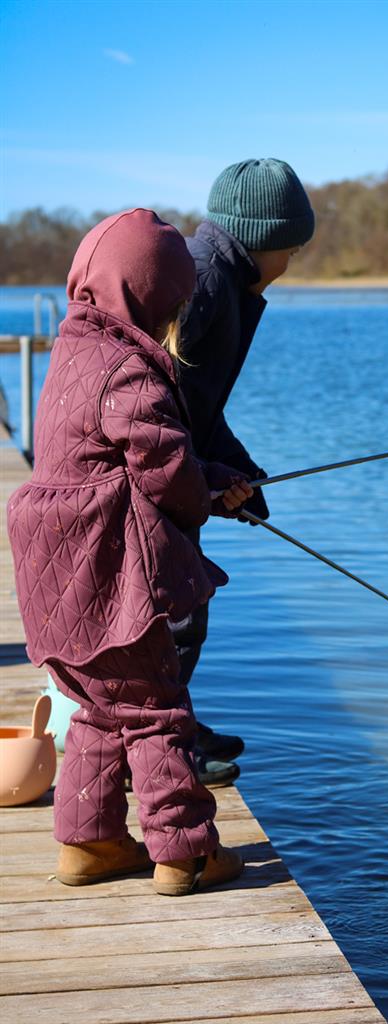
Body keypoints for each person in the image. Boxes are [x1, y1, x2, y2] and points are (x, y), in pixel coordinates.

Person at [7, 209, 254, 896]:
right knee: (155, 709)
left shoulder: (72, 350)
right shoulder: (129, 370)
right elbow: (164, 470)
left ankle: (90, 844)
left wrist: (212, 479)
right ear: (148, 295)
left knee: (99, 707)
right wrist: (207, 493)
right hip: (107, 577)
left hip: (52, 574)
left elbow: (120, 457)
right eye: (171, 303)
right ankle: (185, 852)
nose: (174, 317)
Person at [174, 159, 315, 773]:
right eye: (292, 248)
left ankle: (170, 724)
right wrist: (204, 481)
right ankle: (160, 747)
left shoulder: (222, 279)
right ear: (262, 239)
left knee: (185, 607)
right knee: (174, 610)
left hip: (172, 471)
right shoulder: (202, 281)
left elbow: (199, 407)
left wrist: (239, 472)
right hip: (145, 478)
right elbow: (154, 405)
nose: (292, 263)